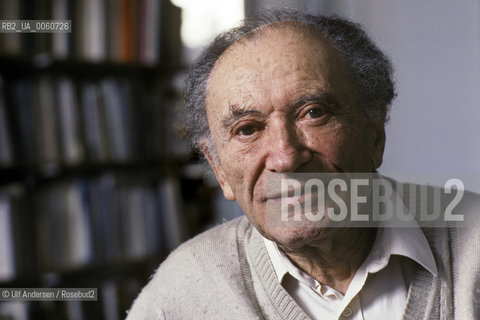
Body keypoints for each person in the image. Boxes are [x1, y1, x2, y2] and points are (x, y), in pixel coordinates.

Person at [127, 10, 480, 320]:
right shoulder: (179, 296)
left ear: (374, 134)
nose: (285, 157)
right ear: (219, 170)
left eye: (314, 113)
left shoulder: (473, 242)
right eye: (247, 129)